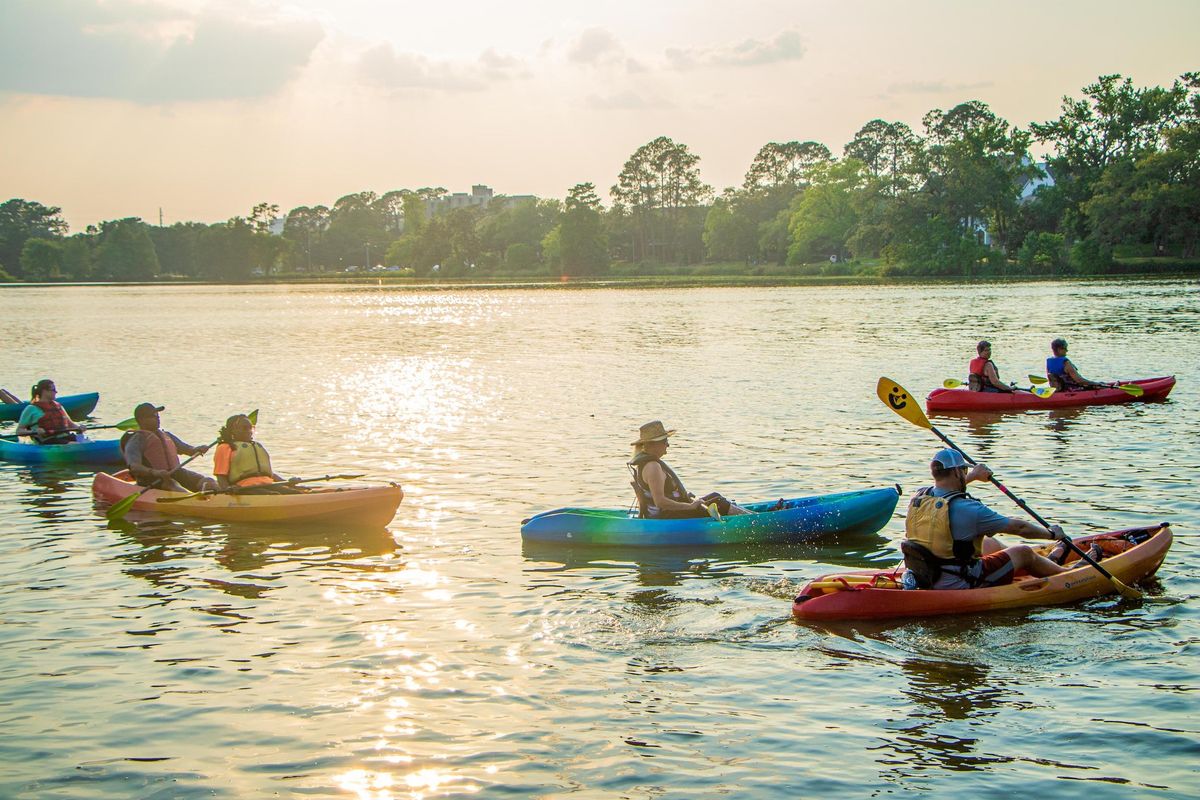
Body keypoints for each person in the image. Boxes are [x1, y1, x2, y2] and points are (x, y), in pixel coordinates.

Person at [900, 448, 1100, 590]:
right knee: (1023, 552)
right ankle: (1066, 574)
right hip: (959, 581)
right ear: (956, 472)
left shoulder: (919, 496)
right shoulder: (970, 509)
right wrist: (1050, 534)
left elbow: (946, 489)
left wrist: (973, 477)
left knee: (989, 541)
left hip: (925, 574)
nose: (966, 474)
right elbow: (1019, 528)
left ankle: (1043, 563)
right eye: (964, 471)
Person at [627, 420, 749, 519]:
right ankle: (757, 521)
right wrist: (690, 507)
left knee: (715, 496)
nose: (668, 445)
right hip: (667, 518)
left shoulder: (648, 464)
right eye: (665, 441)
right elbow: (660, 502)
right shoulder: (653, 467)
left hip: (668, 514)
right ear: (653, 444)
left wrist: (686, 499)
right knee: (719, 502)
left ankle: (754, 516)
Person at [121, 403, 216, 493]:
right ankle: (195, 504)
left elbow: (188, 450)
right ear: (141, 420)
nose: (157, 418)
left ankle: (222, 500)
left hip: (176, 472)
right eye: (153, 416)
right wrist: (155, 472)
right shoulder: (136, 440)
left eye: (157, 415)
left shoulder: (166, 435)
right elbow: (134, 467)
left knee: (207, 481)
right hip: (153, 479)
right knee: (173, 485)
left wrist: (197, 449)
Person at [212, 413, 299, 494]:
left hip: (268, 484)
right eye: (244, 428)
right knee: (273, 495)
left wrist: (287, 482)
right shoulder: (225, 448)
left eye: (251, 428)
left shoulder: (257, 446)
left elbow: (269, 474)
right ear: (233, 430)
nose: (249, 431)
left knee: (295, 493)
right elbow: (220, 476)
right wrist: (228, 489)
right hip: (244, 488)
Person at [15, 379, 85, 444]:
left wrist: (79, 428)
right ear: (44, 391)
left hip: (65, 438)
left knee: (86, 442)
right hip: (47, 441)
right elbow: (19, 431)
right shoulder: (31, 409)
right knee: (74, 445)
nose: (56, 392)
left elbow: (70, 424)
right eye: (53, 389)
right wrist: (34, 431)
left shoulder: (58, 406)